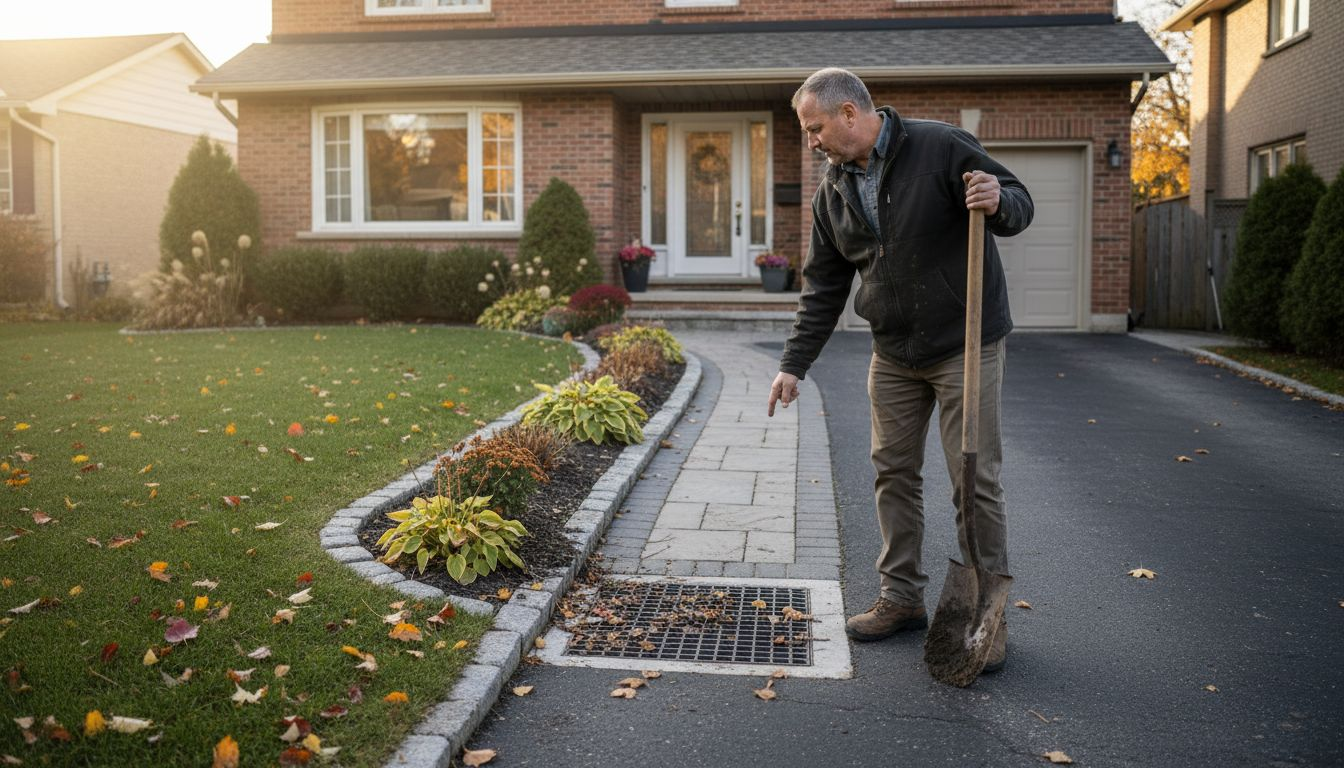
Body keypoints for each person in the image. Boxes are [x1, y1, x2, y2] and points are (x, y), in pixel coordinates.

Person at [767, 68, 1033, 672]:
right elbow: (824, 286)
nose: (811, 141)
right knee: (892, 471)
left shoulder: (939, 146)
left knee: (974, 479)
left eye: (815, 129)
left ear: (849, 115)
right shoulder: (831, 191)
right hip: (893, 351)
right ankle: (902, 598)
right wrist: (793, 364)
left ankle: (985, 616)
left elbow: (1019, 203)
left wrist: (997, 202)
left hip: (965, 343)